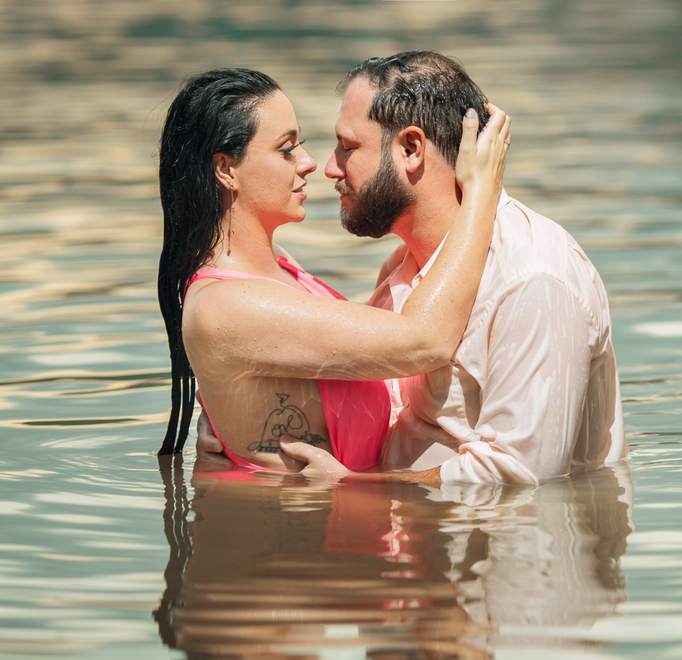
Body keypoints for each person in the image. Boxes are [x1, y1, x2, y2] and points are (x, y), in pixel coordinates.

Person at [198, 52, 628, 486]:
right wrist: (243, 424)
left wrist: (352, 486)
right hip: (412, 525)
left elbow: (520, 478)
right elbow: (382, 406)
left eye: (348, 147)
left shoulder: (533, 279)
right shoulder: (403, 267)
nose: (327, 167)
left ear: (410, 149)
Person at [156, 67, 510, 471]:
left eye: (300, 145)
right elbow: (426, 341)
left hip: (351, 509)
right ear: (226, 170)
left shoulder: (277, 267)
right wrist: (482, 190)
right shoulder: (225, 306)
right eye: (286, 149)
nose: (309, 163)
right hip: (316, 512)